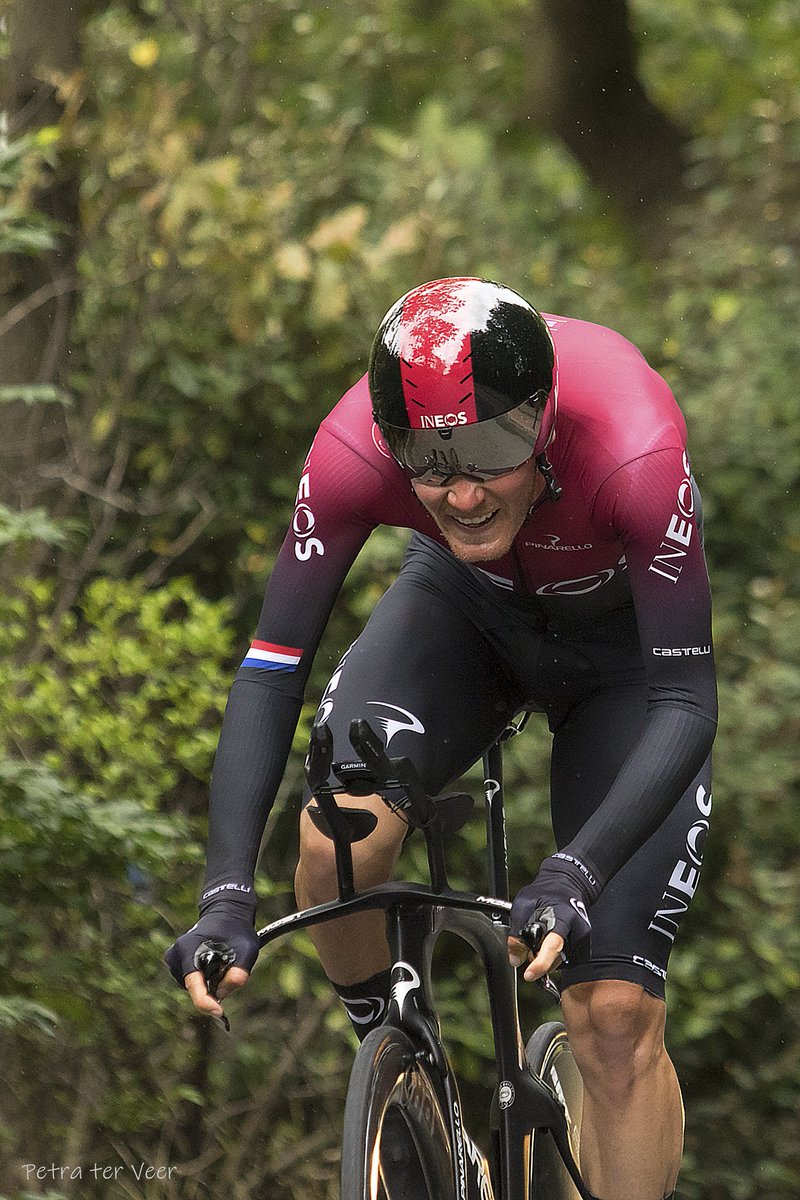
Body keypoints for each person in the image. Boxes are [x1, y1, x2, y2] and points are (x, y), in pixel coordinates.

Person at [166, 277, 717, 1200]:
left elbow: (686, 698)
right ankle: (405, 1081)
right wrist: (224, 893)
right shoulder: (350, 452)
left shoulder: (633, 447)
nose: (460, 493)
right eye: (427, 460)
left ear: (541, 419)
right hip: (467, 614)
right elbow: (270, 669)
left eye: (491, 452)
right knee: (334, 840)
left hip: (627, 665)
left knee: (614, 1016)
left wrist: (575, 874)